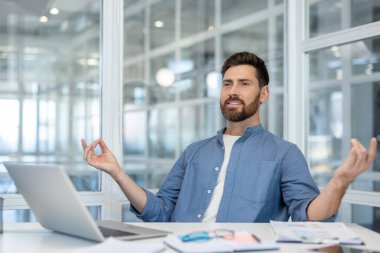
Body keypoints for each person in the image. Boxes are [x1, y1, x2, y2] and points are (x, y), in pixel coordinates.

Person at [82, 51, 377, 222]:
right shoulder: (194, 152)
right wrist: (117, 172)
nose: (233, 91)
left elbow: (310, 216)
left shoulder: (285, 153)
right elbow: (160, 211)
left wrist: (339, 182)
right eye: (227, 84)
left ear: (263, 94)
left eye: (244, 83)